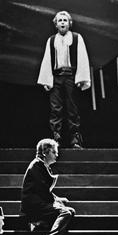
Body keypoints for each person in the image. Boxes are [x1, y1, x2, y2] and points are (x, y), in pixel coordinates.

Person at [37, 10, 91, 148]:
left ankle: (75, 139)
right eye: (60, 20)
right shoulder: (51, 40)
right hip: (56, 77)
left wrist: (81, 78)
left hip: (70, 77)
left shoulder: (76, 38)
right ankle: (56, 138)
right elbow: (47, 60)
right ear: (56, 24)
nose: (62, 23)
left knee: (72, 108)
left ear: (69, 23)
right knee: (55, 108)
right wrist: (46, 80)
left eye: (65, 20)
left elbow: (82, 58)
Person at [20, 138, 76, 235]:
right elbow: (43, 191)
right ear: (45, 152)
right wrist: (57, 201)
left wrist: (57, 199)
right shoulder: (37, 165)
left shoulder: (43, 166)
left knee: (71, 211)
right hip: (33, 206)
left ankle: (40, 225)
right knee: (65, 212)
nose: (57, 155)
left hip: (40, 203)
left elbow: (44, 190)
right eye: (54, 152)